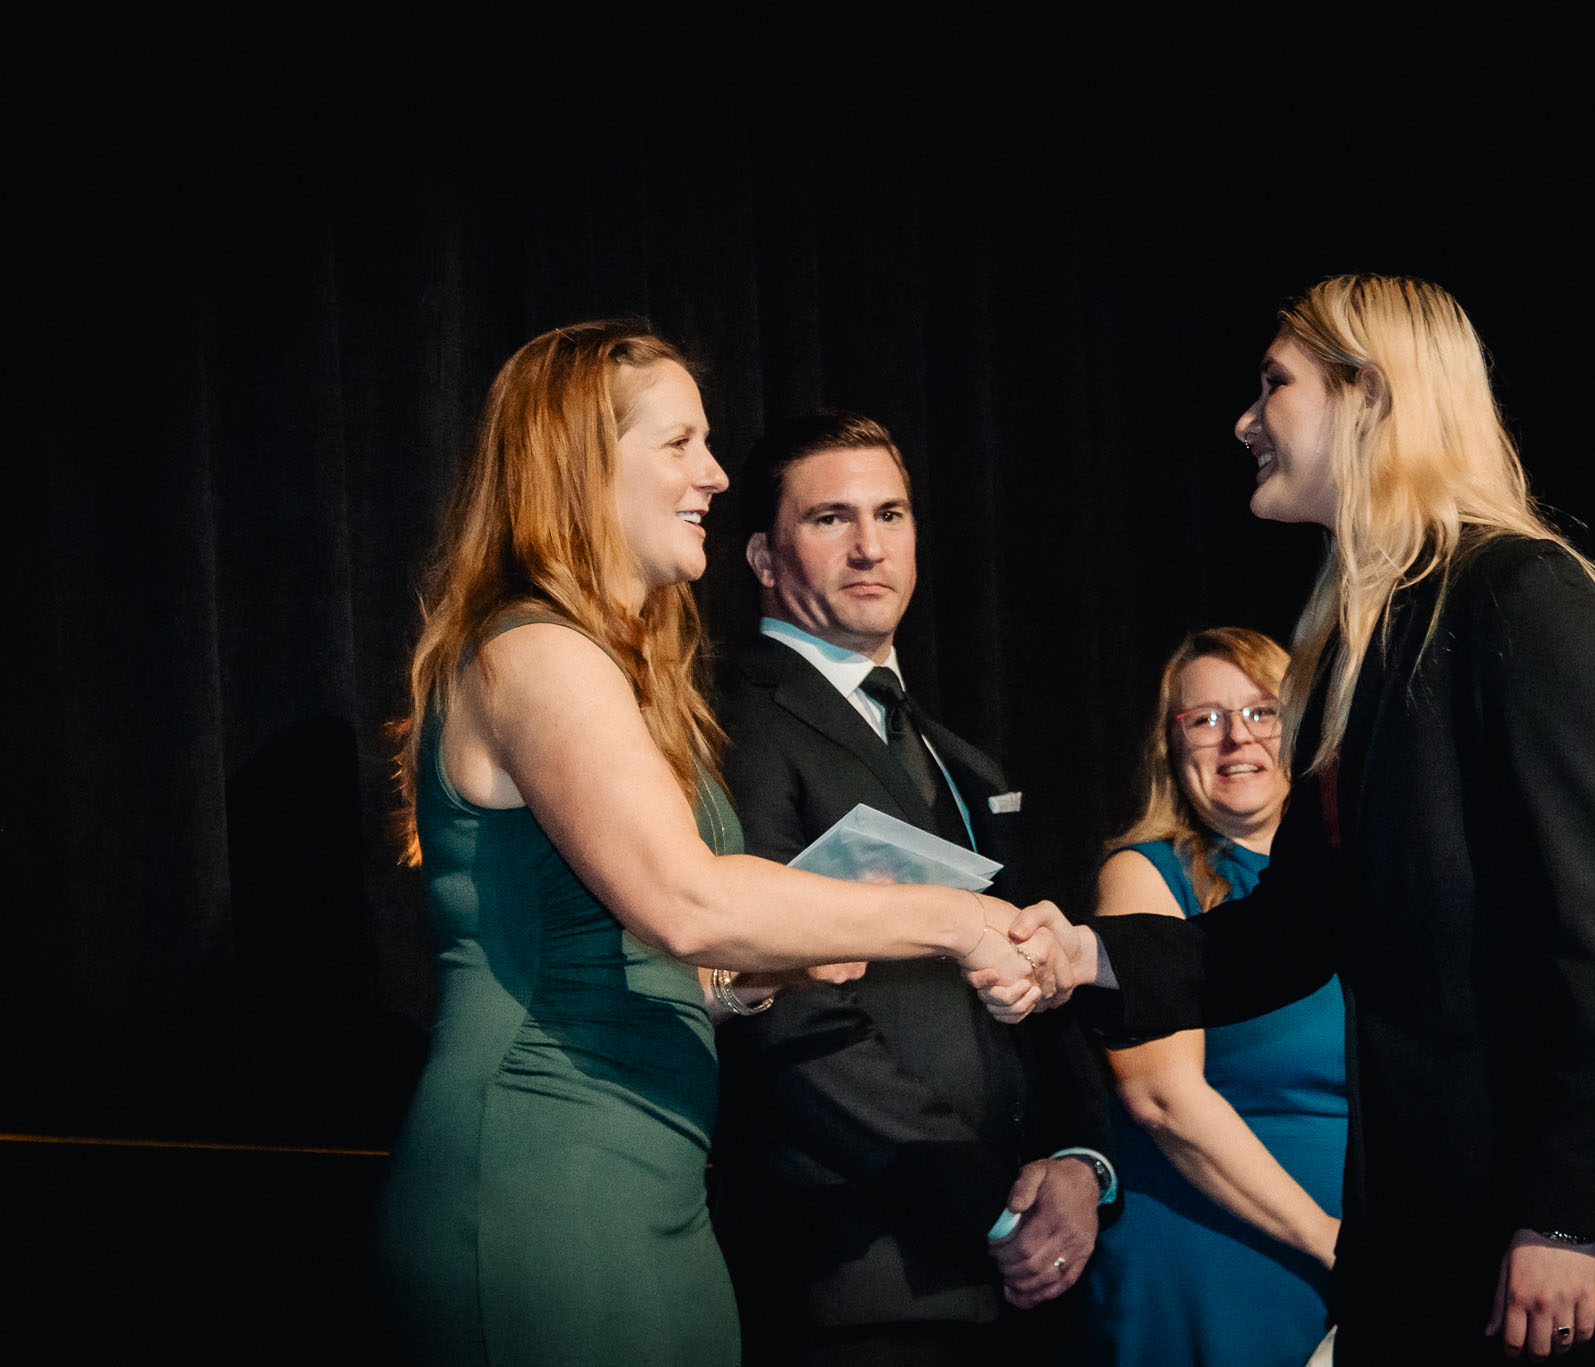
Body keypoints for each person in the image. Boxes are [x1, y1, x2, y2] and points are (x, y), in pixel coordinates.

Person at [996, 276, 1595, 1363]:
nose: (1244, 422)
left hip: (1570, 1231)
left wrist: (1565, 1212)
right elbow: (1287, 929)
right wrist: (1087, 958)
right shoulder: (1357, 650)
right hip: (1433, 1224)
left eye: (1273, 384)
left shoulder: (1522, 596)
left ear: (1369, 395)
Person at [376, 325, 1052, 1367]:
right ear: (581, 463)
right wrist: (959, 920)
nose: (716, 474)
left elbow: (673, 957)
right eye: (680, 443)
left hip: (652, 1175)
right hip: (545, 1169)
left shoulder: (609, 667)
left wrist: (754, 979)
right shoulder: (534, 651)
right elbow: (685, 903)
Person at [711, 410, 1118, 1366]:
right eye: (832, 518)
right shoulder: (730, 721)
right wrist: (988, 1203)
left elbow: (1040, 971)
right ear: (763, 557)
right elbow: (777, 1003)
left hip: (1018, 1274)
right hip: (858, 1268)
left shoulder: (963, 758)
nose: (870, 546)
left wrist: (1078, 1163)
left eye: (890, 514)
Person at [1081, 627, 1347, 1367]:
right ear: (1171, 748)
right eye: (1205, 719)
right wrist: (1330, 1240)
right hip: (1224, 1257)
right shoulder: (1145, 874)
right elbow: (1163, 1097)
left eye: (1264, 711)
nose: (1238, 738)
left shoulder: (1353, 877)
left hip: (1371, 1253)